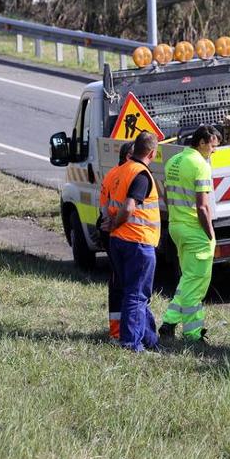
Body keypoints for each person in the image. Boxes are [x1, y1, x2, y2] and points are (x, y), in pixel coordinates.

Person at [159, 125, 221, 342]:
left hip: (176, 226)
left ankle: (169, 323)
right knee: (196, 284)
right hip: (195, 230)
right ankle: (193, 334)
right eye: (212, 146)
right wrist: (210, 233)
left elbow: (166, 196)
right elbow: (203, 207)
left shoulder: (173, 161)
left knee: (188, 280)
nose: (214, 151)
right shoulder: (200, 165)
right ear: (202, 142)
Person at [101, 130, 162, 352]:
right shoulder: (141, 175)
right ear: (152, 153)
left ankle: (150, 340)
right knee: (137, 295)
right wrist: (116, 223)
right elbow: (128, 207)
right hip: (138, 241)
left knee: (132, 292)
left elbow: (109, 204)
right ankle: (131, 343)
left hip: (119, 241)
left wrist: (111, 226)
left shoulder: (120, 171)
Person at [98, 141, 134, 342]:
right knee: (123, 284)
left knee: (119, 282)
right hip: (117, 231)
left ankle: (118, 330)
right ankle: (120, 331)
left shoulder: (113, 173)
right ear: (129, 156)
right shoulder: (124, 175)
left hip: (111, 230)